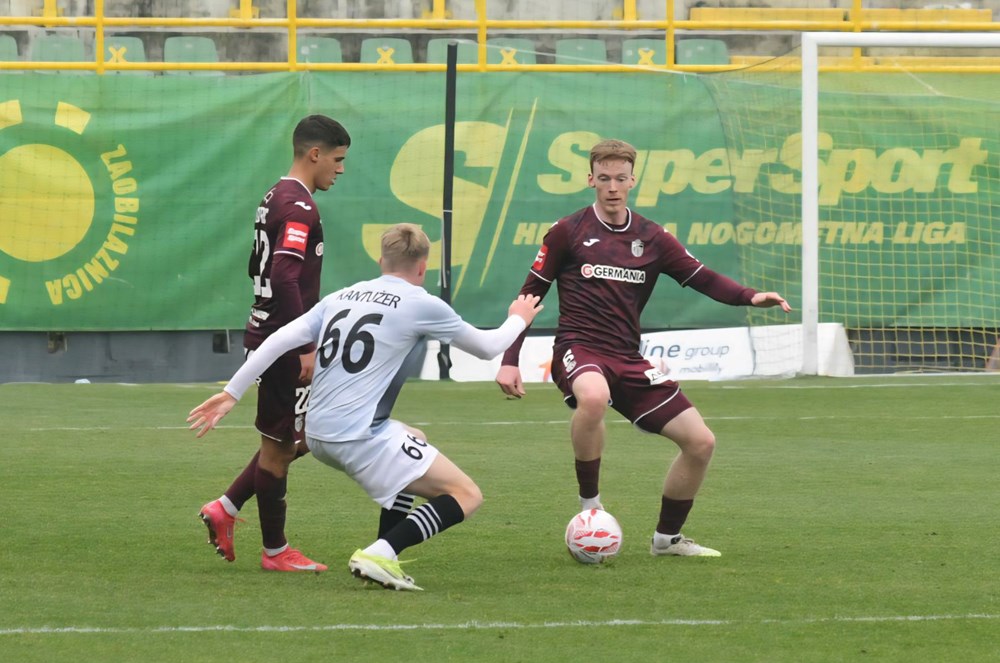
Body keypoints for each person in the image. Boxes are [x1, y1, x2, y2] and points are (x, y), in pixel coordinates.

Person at [189, 223, 543, 590]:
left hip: (315, 434)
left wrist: (232, 393)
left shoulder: (343, 295)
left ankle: (385, 556)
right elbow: (489, 347)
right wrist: (520, 316)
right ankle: (381, 552)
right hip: (358, 439)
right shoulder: (421, 303)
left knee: (414, 437)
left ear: (381, 261)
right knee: (467, 495)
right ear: (423, 266)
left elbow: (279, 339)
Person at [495, 139, 791, 558]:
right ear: (590, 179)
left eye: (620, 178)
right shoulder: (568, 231)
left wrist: (751, 296)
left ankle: (667, 540)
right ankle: (590, 507)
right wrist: (510, 361)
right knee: (593, 397)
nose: (612, 187)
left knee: (701, 442)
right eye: (604, 178)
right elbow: (529, 296)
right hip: (579, 346)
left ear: (632, 180)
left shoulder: (653, 237)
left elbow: (702, 277)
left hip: (628, 358)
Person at [198, 114, 355, 572]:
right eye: (337, 159)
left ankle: (227, 507)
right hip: (284, 340)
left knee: (295, 437)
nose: (340, 169)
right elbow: (284, 274)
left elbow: (263, 269)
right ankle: (274, 551)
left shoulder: (274, 196)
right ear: (315, 154)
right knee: (283, 445)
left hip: (270, 331)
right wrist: (304, 343)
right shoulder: (300, 206)